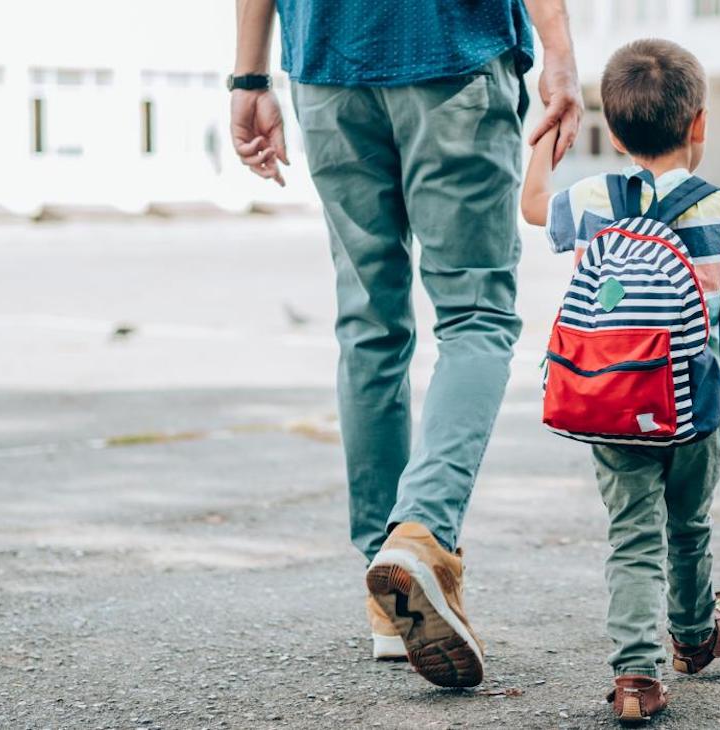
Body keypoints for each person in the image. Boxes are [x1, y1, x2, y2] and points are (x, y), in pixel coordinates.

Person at [230, 0, 581, 688]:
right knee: (475, 314)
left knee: (369, 326)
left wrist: (248, 79)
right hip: (448, 52)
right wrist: (560, 52)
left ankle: (387, 599)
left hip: (328, 67)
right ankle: (419, 534)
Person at [521, 38, 720, 723]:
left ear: (616, 128)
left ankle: (637, 676)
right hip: (696, 409)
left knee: (632, 534)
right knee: (687, 525)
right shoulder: (719, 208)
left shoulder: (594, 198)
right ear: (699, 126)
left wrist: (550, 125)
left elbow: (533, 204)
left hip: (612, 398)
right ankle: (692, 637)